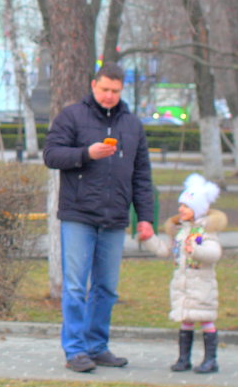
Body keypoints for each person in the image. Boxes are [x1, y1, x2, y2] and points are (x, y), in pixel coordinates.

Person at [43, 62, 155, 373]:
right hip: (79, 215)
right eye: (104, 89)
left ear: (122, 91)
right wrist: (85, 154)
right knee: (76, 287)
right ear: (94, 85)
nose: (109, 96)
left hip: (115, 218)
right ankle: (75, 350)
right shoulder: (72, 116)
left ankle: (97, 345)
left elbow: (142, 176)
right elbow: (51, 155)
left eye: (115, 91)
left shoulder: (132, 125)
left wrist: (145, 218)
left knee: (106, 288)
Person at [142, 173, 226, 374]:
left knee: (205, 319)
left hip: (201, 284)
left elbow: (214, 253)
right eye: (181, 205)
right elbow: (166, 250)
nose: (181, 210)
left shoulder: (205, 233)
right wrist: (149, 239)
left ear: (198, 210)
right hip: (183, 285)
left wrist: (195, 251)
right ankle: (183, 358)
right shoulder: (181, 233)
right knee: (186, 319)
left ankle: (210, 359)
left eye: (186, 207)